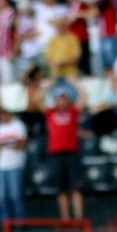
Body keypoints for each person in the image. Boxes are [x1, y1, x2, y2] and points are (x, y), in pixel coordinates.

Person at [46, 90, 83, 220]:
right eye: (59, 99)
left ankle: (79, 219)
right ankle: (65, 219)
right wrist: (49, 86)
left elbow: (83, 98)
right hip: (56, 154)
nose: (61, 101)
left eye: (64, 98)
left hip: (72, 153)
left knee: (76, 188)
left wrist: (74, 83)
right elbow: (37, 101)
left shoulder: (73, 112)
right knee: (61, 189)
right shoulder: (50, 113)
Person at [0, 107, 27, 223]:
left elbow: (22, 144)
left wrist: (5, 145)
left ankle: (20, 222)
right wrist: (9, 144)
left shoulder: (18, 125)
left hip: (15, 165)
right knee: (1, 197)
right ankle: (6, 223)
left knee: (15, 196)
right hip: (1, 166)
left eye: (3, 114)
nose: (1, 117)